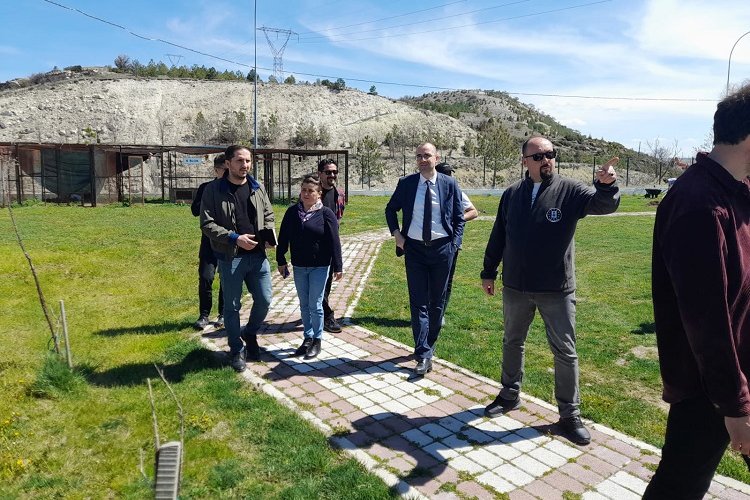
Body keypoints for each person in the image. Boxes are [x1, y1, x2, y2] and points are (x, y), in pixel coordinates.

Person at [643, 84, 750, 499]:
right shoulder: (699, 205)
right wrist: (735, 406)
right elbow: (707, 322)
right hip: (712, 388)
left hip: (734, 377)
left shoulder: (735, 192)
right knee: (678, 486)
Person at [480, 136, 619, 445]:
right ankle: (509, 395)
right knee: (512, 342)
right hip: (515, 286)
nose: (546, 159)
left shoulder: (569, 190)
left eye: (550, 154)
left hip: (556, 289)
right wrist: (489, 271)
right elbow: (498, 236)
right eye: (539, 155)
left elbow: (602, 204)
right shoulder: (512, 194)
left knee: (565, 352)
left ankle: (569, 415)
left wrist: (606, 186)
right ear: (525, 161)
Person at [385, 143, 465, 375]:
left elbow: (459, 217)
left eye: (427, 156)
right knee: (418, 302)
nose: (422, 159)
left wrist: (454, 244)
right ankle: (423, 353)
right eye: (418, 156)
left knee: (437, 303)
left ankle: (427, 345)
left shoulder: (449, 183)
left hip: (442, 250)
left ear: (436, 158)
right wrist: (397, 235)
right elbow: (390, 210)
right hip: (415, 251)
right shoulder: (407, 184)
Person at [200, 145, 275, 372]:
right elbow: (207, 224)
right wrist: (234, 238)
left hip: (258, 256)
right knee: (232, 307)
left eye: (248, 161)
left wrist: (269, 234)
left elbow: (269, 214)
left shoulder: (257, 187)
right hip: (230, 258)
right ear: (229, 163)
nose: (245, 165)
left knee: (264, 300)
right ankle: (236, 349)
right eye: (240, 161)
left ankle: (249, 333)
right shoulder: (214, 190)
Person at [277, 174, 343, 359]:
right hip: (299, 265)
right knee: (304, 304)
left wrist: (338, 266)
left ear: (319, 194)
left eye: (311, 191)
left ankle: (317, 340)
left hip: (320, 266)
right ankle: (307, 338)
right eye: (304, 190)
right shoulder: (292, 212)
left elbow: (334, 241)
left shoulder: (326, 213)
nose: (306, 194)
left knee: (315, 304)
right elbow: (283, 237)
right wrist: (280, 258)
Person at [434, 162, 478, 326]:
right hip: (431, 242)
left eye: (450, 174)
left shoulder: (457, 192)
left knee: (447, 280)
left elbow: (473, 211)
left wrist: (457, 220)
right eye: (446, 174)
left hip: (451, 243)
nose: (449, 177)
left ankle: (440, 314)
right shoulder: (430, 191)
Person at [191, 154, 226, 330]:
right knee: (206, 277)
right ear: (216, 170)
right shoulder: (205, 187)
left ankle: (223, 314)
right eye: (224, 170)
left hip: (228, 242)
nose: (227, 173)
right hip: (209, 241)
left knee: (226, 279)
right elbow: (195, 211)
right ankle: (204, 315)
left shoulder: (234, 188)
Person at [317, 158, 346, 334]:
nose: (332, 175)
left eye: (334, 172)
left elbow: (338, 220)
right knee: (318, 283)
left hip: (330, 245)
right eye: (328, 172)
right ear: (320, 173)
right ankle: (327, 316)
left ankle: (320, 310)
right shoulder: (312, 192)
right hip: (313, 246)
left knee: (326, 282)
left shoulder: (339, 194)